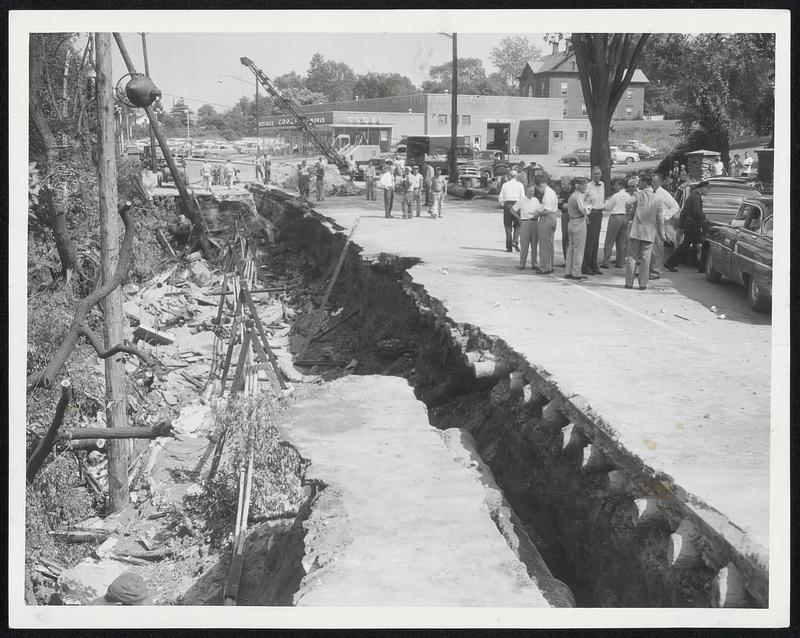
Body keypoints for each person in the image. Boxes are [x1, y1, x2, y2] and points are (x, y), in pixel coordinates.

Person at [624, 174, 664, 290]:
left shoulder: (638, 194)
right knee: (646, 259)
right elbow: (660, 218)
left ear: (645, 183)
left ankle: (629, 283)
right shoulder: (658, 198)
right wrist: (662, 233)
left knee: (632, 257)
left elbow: (628, 203)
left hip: (636, 230)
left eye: (640, 182)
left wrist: (629, 216)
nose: (638, 184)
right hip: (649, 232)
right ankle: (643, 284)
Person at [664, 180, 709, 272]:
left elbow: (684, 212)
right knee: (690, 245)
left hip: (689, 224)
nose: (707, 191)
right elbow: (696, 212)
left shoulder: (693, 195)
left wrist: (682, 225)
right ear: (702, 187)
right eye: (707, 189)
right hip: (693, 225)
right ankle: (670, 262)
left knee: (694, 245)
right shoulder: (696, 197)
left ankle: (700, 266)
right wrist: (704, 216)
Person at [649, 173, 680, 278]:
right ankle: (648, 270)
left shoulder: (664, 193)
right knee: (649, 247)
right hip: (649, 222)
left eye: (655, 182)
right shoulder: (649, 191)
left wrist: (665, 217)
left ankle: (656, 271)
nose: (653, 183)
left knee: (657, 247)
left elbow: (675, 206)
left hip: (659, 223)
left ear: (660, 182)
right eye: (652, 181)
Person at [565, 177, 591, 280]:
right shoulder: (578, 197)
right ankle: (576, 273)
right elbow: (585, 211)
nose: (586, 187)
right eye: (584, 185)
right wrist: (589, 203)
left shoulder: (573, 195)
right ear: (577, 185)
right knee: (579, 249)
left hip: (572, 221)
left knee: (571, 248)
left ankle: (568, 271)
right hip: (578, 222)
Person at [600, 179, 630, 269]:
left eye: (616, 185)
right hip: (625, 217)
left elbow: (607, 207)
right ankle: (620, 262)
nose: (615, 187)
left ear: (620, 186)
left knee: (610, 240)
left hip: (615, 217)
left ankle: (606, 262)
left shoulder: (616, 196)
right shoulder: (628, 196)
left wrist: (605, 202)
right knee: (622, 241)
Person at [582, 166, 605, 275]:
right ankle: (586, 266)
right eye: (595, 174)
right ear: (591, 175)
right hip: (591, 213)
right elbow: (581, 200)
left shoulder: (602, 185)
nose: (597, 175)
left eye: (598, 173)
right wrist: (585, 214)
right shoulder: (587, 186)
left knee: (596, 241)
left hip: (599, 213)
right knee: (589, 241)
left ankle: (594, 265)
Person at [534, 175, 560, 274]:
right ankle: (549, 265)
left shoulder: (548, 193)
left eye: (538, 188)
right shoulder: (551, 192)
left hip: (547, 218)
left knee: (544, 243)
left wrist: (538, 213)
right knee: (549, 243)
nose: (539, 191)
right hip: (551, 217)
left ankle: (545, 266)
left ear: (541, 185)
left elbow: (547, 209)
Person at [512, 185, 540, 270]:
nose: (531, 192)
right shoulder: (521, 201)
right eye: (530, 191)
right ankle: (522, 264)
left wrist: (537, 213)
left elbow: (539, 210)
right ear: (525, 191)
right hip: (525, 223)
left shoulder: (536, 200)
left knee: (534, 244)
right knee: (524, 245)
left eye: (533, 190)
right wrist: (518, 218)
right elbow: (512, 210)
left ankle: (534, 263)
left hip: (535, 223)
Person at [498, 170, 526, 252]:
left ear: (509, 176)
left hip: (508, 204)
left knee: (507, 225)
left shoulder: (505, 185)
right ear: (516, 176)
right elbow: (523, 197)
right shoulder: (520, 185)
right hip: (517, 204)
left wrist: (504, 205)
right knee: (518, 224)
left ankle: (509, 246)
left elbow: (500, 197)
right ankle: (515, 240)